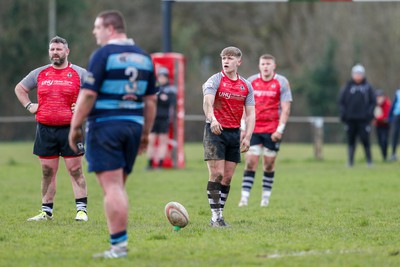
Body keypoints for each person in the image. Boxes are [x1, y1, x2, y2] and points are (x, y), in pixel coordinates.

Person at [68, 10, 157, 258]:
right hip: (133, 126)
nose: (94, 32)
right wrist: (146, 133)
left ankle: (118, 247)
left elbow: (88, 94)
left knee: (113, 188)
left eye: (97, 27)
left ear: (110, 28)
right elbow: (151, 102)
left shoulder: (103, 55)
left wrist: (75, 126)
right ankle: (116, 244)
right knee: (118, 187)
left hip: (106, 126)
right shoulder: (144, 57)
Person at [14, 36, 88, 222]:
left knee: (75, 170)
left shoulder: (80, 73)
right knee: (47, 170)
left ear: (67, 52)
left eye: (59, 49)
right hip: (45, 129)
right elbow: (20, 89)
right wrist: (29, 105)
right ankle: (46, 212)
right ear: (49, 52)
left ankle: (81, 210)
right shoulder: (40, 73)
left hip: (71, 129)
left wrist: (83, 106)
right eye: (52, 49)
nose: (55, 52)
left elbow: (95, 93)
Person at [202, 46, 255, 227]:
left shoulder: (246, 86)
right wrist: (213, 119)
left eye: (230, 58)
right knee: (216, 174)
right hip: (215, 131)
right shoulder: (214, 80)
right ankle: (215, 217)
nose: (226, 61)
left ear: (238, 62)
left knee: (227, 178)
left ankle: (219, 215)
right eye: (224, 58)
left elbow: (251, 114)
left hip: (234, 133)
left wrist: (247, 136)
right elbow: (207, 102)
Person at [238, 54, 292, 207]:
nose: (266, 66)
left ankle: (265, 199)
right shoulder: (251, 81)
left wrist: (280, 130)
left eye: (268, 64)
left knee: (268, 164)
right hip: (253, 129)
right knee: (250, 162)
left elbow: (286, 109)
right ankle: (244, 198)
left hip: (272, 130)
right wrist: (243, 128)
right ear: (259, 66)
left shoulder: (281, 82)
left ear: (274, 66)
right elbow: (243, 106)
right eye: (263, 64)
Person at [339, 64, 376, 167]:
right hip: (350, 119)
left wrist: (369, 114)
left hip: (363, 120)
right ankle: (350, 162)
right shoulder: (347, 87)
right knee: (351, 141)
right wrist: (344, 115)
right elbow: (341, 102)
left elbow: (373, 102)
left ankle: (369, 161)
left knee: (365, 140)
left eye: (360, 74)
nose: (358, 76)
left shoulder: (368, 87)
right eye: (356, 74)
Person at [146, 67, 176, 169]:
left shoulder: (171, 89)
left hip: (164, 118)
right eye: (160, 76)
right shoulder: (154, 88)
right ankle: (150, 164)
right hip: (153, 118)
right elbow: (150, 99)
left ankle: (160, 164)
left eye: (163, 77)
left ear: (167, 78)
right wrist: (160, 97)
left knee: (163, 142)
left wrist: (161, 98)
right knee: (151, 140)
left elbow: (171, 102)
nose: (161, 78)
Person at [373, 89, 391, 161]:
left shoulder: (387, 103)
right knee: (380, 141)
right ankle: (384, 155)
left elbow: (386, 116)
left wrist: (378, 118)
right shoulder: (374, 104)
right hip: (378, 125)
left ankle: (385, 156)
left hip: (385, 126)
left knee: (384, 140)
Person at [389, 88, 400, 161]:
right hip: (397, 115)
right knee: (395, 135)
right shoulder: (398, 92)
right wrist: (390, 117)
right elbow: (393, 105)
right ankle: (393, 154)